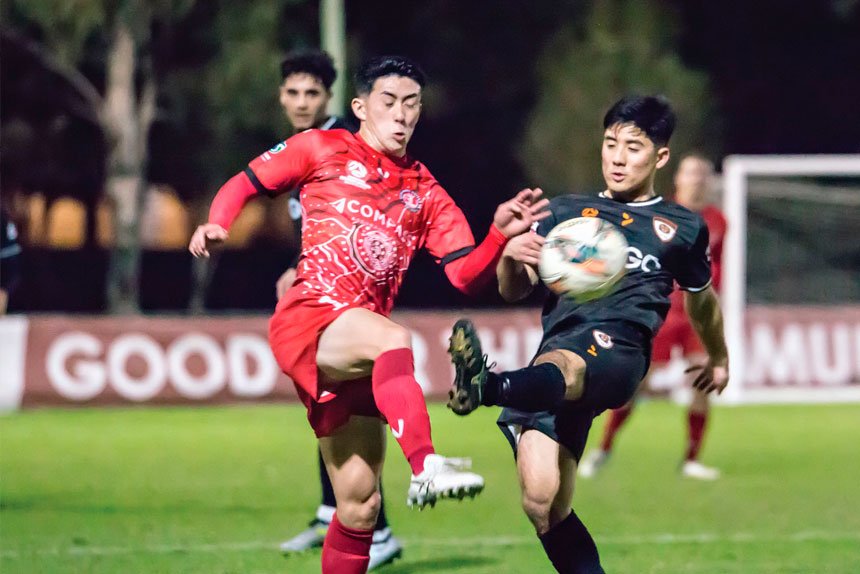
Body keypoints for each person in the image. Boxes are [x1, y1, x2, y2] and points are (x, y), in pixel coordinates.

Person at [189, 55, 548, 574]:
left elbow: (464, 275)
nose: (401, 114)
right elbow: (244, 182)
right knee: (394, 340)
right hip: (311, 316)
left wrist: (498, 235)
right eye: (389, 102)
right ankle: (425, 465)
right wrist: (216, 222)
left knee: (360, 505)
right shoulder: (321, 147)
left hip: (356, 344)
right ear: (360, 107)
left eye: (412, 104)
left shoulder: (425, 191)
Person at [446, 95, 729, 573]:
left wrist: (718, 356)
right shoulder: (565, 213)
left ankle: (488, 385)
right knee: (542, 503)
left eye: (633, 147)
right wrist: (512, 254)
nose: (618, 158)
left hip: (620, 351)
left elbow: (702, 300)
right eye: (610, 144)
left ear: (660, 156)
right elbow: (514, 290)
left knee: (568, 361)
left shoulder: (682, 228)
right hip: (556, 355)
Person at [269, 50, 401, 570]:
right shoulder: (300, 149)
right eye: (293, 92)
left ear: (329, 97)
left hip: (353, 297)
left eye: (312, 93)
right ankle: (336, 510)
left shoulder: (345, 144)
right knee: (327, 405)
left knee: (345, 405)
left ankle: (374, 525)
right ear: (281, 96)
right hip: (322, 295)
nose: (301, 102)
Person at [579, 153, 728, 481]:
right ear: (678, 179)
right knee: (636, 385)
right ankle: (603, 449)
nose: (698, 180)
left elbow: (718, 265)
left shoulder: (718, 220)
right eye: (692, 173)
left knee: (701, 383)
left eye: (703, 174)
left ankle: (691, 459)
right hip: (662, 311)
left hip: (697, 316)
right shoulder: (660, 215)